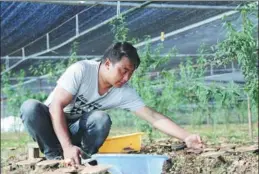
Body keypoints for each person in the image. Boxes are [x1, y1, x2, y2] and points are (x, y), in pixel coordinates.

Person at [20, 42, 204, 166]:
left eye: (130, 73)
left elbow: (154, 117)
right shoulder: (82, 70)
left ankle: (84, 159)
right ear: (108, 63)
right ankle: (56, 159)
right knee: (29, 107)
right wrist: (66, 146)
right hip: (51, 125)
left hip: (76, 131)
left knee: (101, 119)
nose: (126, 78)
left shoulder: (122, 90)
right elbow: (56, 106)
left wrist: (186, 136)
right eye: (123, 71)